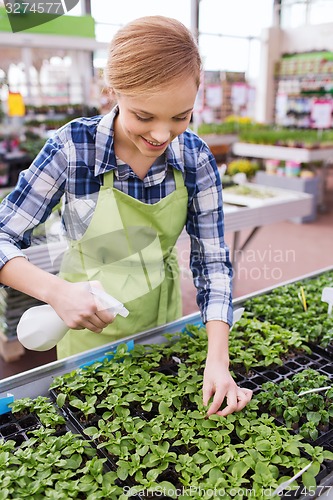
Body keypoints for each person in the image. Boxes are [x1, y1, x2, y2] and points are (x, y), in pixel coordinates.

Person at [0, 16, 252, 416]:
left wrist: (217, 358)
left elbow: (212, 262)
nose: (162, 135)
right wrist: (55, 292)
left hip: (159, 324)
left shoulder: (194, 158)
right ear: (113, 91)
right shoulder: (73, 150)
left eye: (180, 117)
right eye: (145, 116)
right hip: (84, 332)